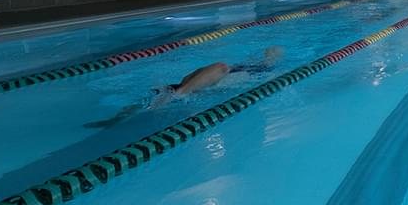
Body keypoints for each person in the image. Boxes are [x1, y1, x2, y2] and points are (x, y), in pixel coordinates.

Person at [85, 46, 284, 128]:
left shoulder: (257, 69)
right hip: (198, 84)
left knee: (161, 94)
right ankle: (179, 93)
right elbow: (220, 68)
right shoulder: (260, 70)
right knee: (219, 68)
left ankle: (116, 119)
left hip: (192, 85)